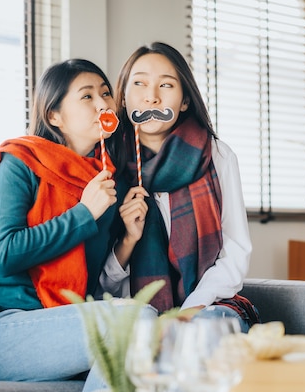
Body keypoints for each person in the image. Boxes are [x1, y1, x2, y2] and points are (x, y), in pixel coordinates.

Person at [0, 58, 147, 392]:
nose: (103, 104)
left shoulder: (108, 182)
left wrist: (127, 240)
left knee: (145, 331)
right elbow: (5, 255)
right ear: (54, 115)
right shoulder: (19, 162)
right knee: (135, 320)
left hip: (59, 328)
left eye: (106, 93)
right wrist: (84, 213)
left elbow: (89, 289)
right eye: (87, 96)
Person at [102, 42, 259, 332]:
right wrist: (128, 240)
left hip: (207, 307)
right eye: (139, 83)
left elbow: (235, 254)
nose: (152, 97)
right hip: (135, 315)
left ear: (185, 101)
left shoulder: (218, 156)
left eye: (166, 85)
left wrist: (189, 312)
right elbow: (101, 284)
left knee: (204, 331)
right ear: (123, 97)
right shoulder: (105, 164)